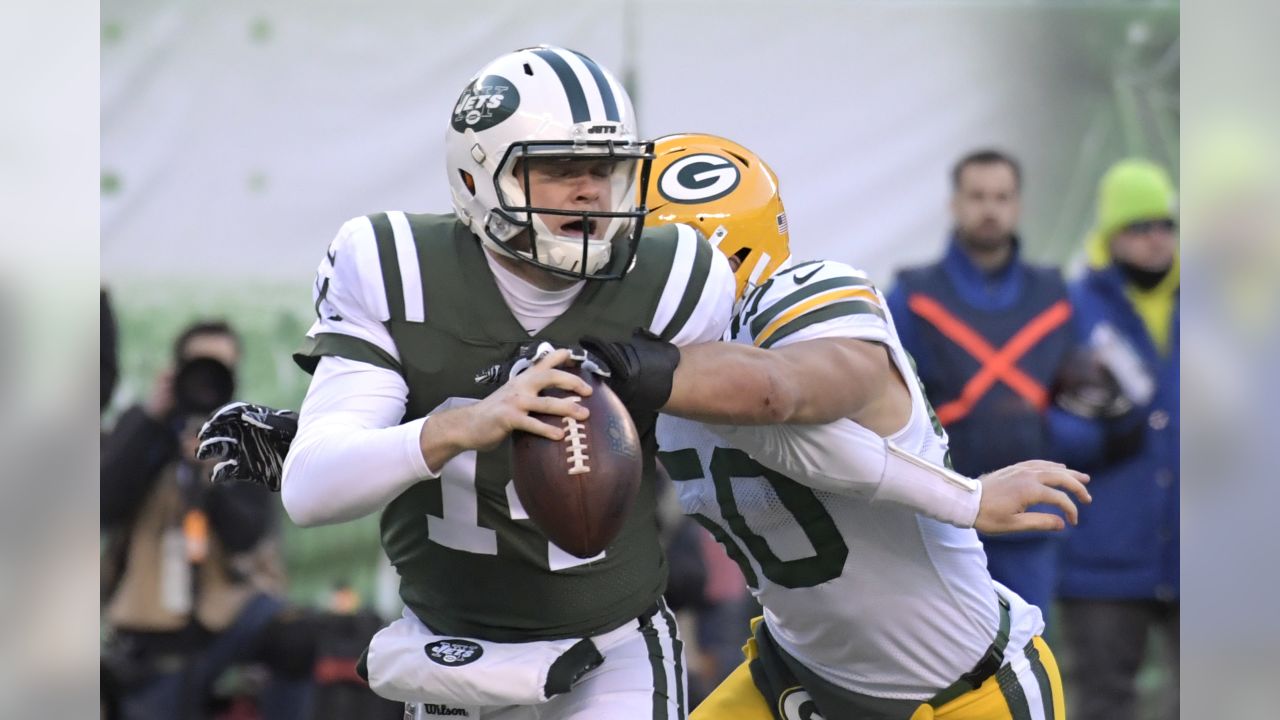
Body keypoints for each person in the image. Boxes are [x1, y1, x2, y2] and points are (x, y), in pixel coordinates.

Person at [203, 134, 1090, 720]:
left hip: (963, 691)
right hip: (790, 675)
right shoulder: (628, 369)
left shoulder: (802, 295)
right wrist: (325, 441)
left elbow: (791, 400)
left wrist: (965, 496)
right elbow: (500, 441)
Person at [273, 45, 736, 720]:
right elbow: (312, 491)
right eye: (558, 168)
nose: (590, 189)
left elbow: (752, 435)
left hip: (613, 645)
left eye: (606, 168)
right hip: (454, 653)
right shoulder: (395, 267)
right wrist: (463, 424)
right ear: (475, 176)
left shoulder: (674, 278)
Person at [885, 149, 1079, 617]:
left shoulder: (1056, 295)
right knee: (944, 670)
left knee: (1030, 660)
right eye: (977, 196)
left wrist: (1066, 434)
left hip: (1034, 520)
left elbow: (1085, 403)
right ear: (954, 203)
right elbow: (885, 400)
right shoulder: (912, 296)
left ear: (1018, 205)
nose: (989, 209)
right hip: (941, 519)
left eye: (1001, 197)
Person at [100, 321, 314, 719]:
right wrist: (151, 421)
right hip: (151, 625)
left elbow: (247, 536)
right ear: (175, 371)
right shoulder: (142, 427)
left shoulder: (246, 437)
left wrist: (214, 472)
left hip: (228, 614)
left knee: (295, 638)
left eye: (220, 369)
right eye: (198, 367)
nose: (205, 383)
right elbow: (102, 506)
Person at [1053, 159, 1179, 720]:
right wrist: (1102, 433)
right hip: (1103, 551)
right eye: (1138, 226)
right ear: (1110, 235)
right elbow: (1043, 428)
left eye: (1165, 223)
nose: (1156, 238)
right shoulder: (1071, 310)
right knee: (1103, 705)